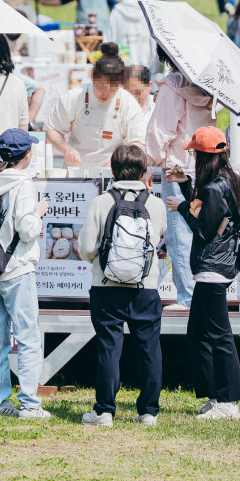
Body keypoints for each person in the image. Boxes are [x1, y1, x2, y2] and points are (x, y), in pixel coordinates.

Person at [75, 144, 166, 427]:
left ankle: (104, 411)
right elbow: (157, 241)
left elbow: (87, 248)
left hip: (106, 286)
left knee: (108, 348)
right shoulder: (156, 204)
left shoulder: (101, 202)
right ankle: (148, 411)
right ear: (143, 172)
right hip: (145, 288)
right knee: (149, 348)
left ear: (113, 170)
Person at [164, 126, 240, 421]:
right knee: (198, 333)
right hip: (216, 266)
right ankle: (214, 397)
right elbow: (208, 211)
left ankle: (228, 402)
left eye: (193, 154)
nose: (191, 159)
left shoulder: (214, 187)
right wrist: (186, 184)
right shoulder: (227, 180)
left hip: (213, 268)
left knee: (218, 335)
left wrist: (182, 207)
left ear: (203, 156)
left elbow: (203, 226)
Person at [0, 129, 50, 419]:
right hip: (16, 268)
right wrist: (38, 213)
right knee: (28, 337)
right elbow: (27, 229)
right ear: (26, 155)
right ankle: (29, 404)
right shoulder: (22, 184)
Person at [145, 69, 214, 311]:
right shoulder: (207, 82)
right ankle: (201, 293)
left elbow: (160, 130)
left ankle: (188, 295)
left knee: (180, 233)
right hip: (205, 165)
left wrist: (149, 163)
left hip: (177, 166)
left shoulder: (173, 85)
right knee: (201, 231)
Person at [45, 54, 147, 173]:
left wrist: (121, 159)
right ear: (92, 79)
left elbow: (139, 142)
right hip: (76, 171)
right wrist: (67, 149)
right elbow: (51, 129)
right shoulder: (74, 97)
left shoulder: (128, 103)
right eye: (100, 87)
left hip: (114, 172)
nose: (105, 93)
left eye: (112, 89)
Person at [107, 0, 158, 74]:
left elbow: (111, 41)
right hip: (148, 71)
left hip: (123, 71)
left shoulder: (117, 10)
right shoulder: (154, 9)